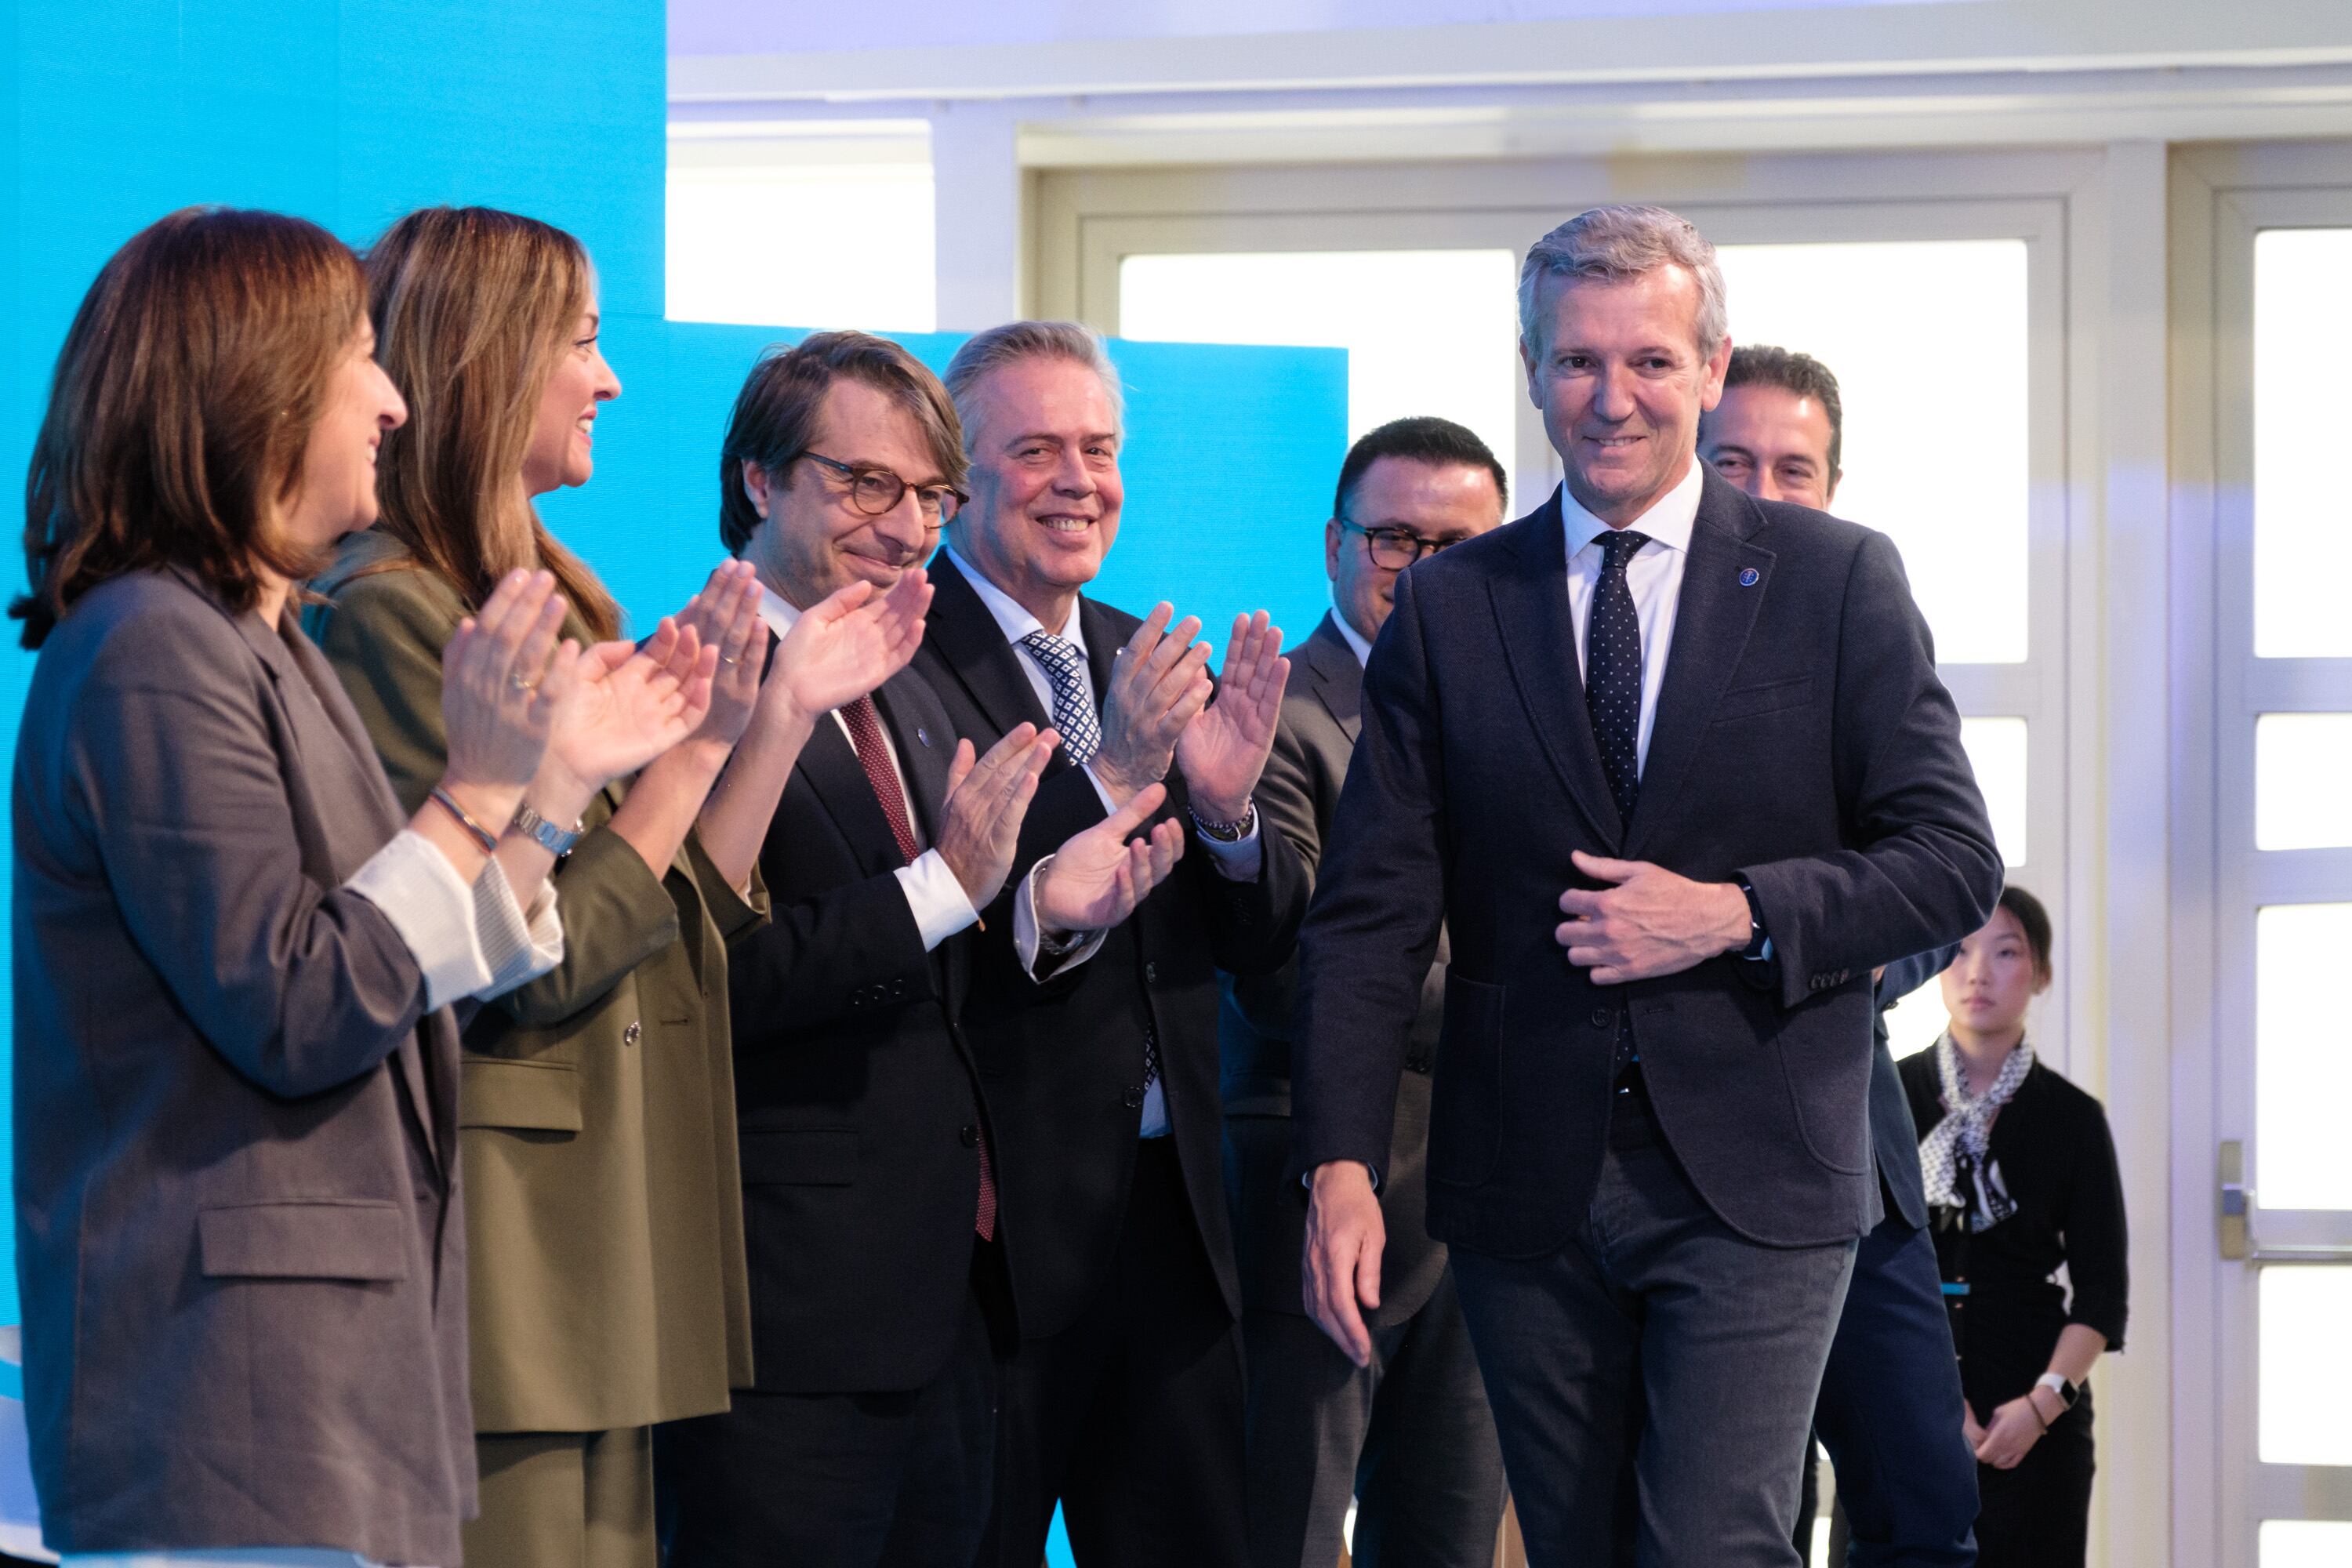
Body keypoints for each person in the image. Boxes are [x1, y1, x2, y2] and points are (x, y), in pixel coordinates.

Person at [1291, 205, 2002, 1568]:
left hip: (1762, 1172)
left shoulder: (1837, 581)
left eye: (1651, 363)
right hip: (1520, 1183)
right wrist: (1336, 1166)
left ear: (1710, 362)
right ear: (1530, 362)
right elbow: (1370, 915)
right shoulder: (1453, 604)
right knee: (1580, 1547)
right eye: (1574, 363)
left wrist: (1735, 913)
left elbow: (1950, 860)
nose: (1610, 400)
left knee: (1712, 1548)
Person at [12, 206, 696, 1566]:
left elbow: (432, 961)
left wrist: (550, 786)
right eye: (361, 362)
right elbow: (301, 1000)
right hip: (232, 1389)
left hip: (335, 1362)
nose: (393, 401)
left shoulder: (262, 642)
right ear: (255, 392)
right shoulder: (151, 649)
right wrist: (481, 788)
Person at [309, 207, 929, 1568]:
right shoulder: (400, 617)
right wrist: (695, 757)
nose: (611, 380)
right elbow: (513, 962)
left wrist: (742, 736)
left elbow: (684, 929)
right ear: (484, 360)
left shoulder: (566, 601)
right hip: (517, 1258)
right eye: (583, 343)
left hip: (615, 1231)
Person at [655, 331, 1189, 1566]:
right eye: (864, 484)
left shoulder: (905, 676)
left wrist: (1053, 911)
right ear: (759, 481)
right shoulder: (689, 686)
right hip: (783, 1309)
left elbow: (962, 942)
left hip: (952, 1295)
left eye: (928, 495)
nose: (904, 527)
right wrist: (949, 884)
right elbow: (710, 978)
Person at [907, 320, 1308, 1566]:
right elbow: (966, 922)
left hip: (1175, 1225)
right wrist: (1119, 767)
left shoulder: (1147, 654)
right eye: (1037, 451)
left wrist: (1233, 812)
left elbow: (1260, 949)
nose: (1079, 482)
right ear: (958, 474)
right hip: (996, 1239)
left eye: (1101, 449)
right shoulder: (896, 658)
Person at [1700, 344, 1981, 1566]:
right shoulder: (1614, 634)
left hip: (1849, 1158)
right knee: (1726, 1524)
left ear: (1834, 482)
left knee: (1923, 1508)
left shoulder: (1866, 618)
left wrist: (1834, 951)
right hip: (1676, 1167)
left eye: (1794, 467)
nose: (1765, 489)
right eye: (1734, 460)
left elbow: (1944, 880)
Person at [1221, 416, 1510, 1568]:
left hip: (1487, 1195)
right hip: (1316, 1180)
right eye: (1395, 538)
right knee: (1287, 1532)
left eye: (1458, 542)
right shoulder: (1270, 718)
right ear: (1333, 546)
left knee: (1446, 1533)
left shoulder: (1527, 716)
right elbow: (1296, 968)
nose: (1423, 568)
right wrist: (1525, 983)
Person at [1902, 887, 2126, 1568]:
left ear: (2041, 973)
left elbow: (2102, 1296)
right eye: (1962, 950)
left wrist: (2042, 1404)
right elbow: (1857, 1271)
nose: (1978, 972)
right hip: (1904, 1401)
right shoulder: (1886, 1098)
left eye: (2006, 952)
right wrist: (1931, 1403)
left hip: (2033, 1410)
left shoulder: (2073, 1118)